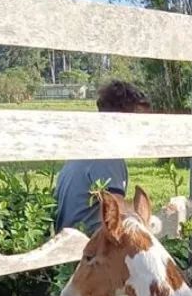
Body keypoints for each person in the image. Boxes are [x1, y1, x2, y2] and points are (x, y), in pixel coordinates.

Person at [54, 80, 151, 235]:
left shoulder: (85, 150)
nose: (142, 130)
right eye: (138, 123)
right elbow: (117, 214)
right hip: (91, 244)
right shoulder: (108, 157)